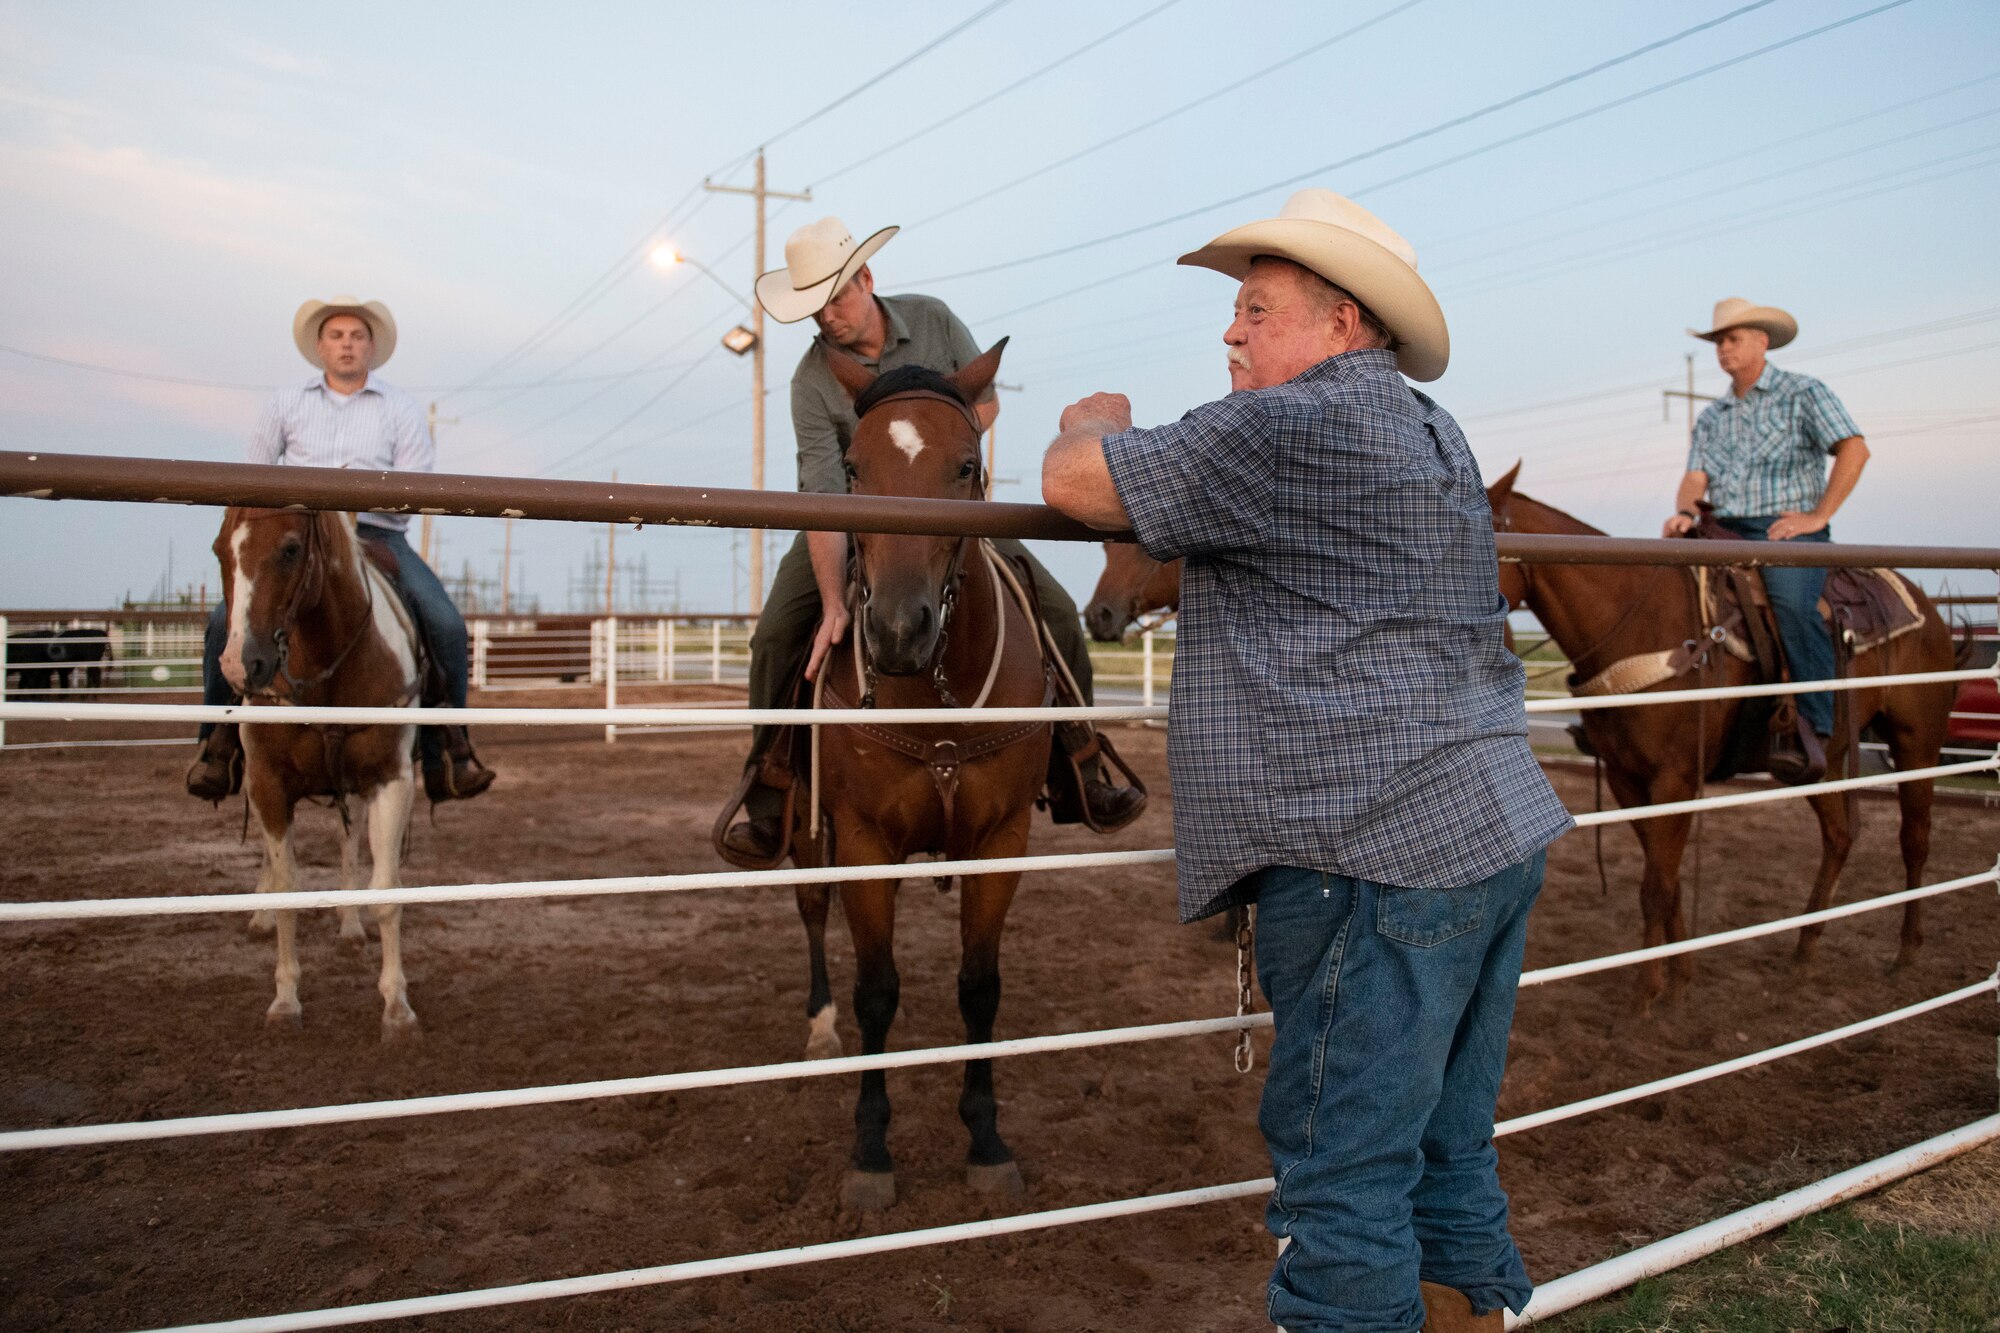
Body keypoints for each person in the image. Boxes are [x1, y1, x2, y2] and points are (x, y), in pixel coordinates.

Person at [1041, 189, 1573, 1332]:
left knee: (1337, 1181)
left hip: (1365, 856)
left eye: (1253, 310)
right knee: (1443, 1146)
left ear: (1341, 324)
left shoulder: (1294, 427)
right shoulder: (1433, 428)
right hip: (1484, 824)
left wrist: (1091, 416)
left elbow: (1076, 486)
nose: (1229, 334)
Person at [719, 215, 1144, 864]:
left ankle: (1081, 765)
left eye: (834, 297)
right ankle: (768, 791)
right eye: (812, 309)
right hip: (858, 523)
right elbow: (824, 496)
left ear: (866, 278)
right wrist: (834, 600)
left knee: (1056, 611)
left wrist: (941, 468)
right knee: (778, 631)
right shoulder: (813, 378)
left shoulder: (935, 321)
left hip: (951, 512)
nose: (826, 317)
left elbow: (987, 406)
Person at [185, 295, 495, 805]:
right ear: (320, 346)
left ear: (372, 347)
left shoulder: (398, 407)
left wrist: (356, 506)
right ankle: (217, 744)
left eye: (356, 336)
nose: (347, 344)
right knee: (225, 621)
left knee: (444, 623)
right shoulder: (287, 402)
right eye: (336, 336)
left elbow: (413, 486)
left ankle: (449, 749)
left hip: (376, 534)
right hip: (295, 538)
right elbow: (254, 477)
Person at [1663, 297, 1868, 784]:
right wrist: (1685, 512)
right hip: (1724, 528)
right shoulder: (1713, 416)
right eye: (1718, 342)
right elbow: (1696, 477)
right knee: (1667, 589)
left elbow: (1854, 449)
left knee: (1792, 606)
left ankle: (1818, 721)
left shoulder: (1804, 393)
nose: (1723, 350)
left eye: (1732, 339)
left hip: (1786, 528)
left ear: (1762, 341)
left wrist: (1816, 516)